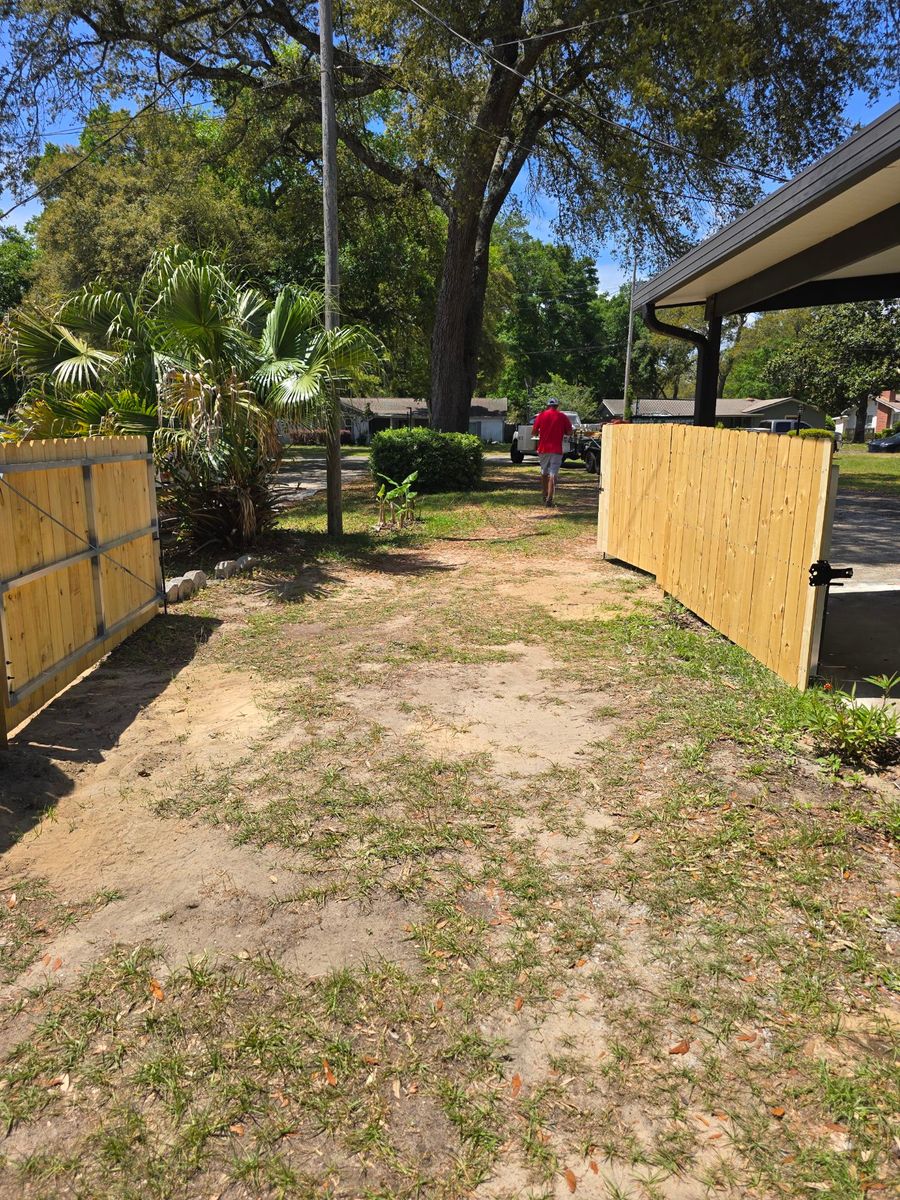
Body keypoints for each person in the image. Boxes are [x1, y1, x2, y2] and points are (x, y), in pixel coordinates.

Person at [531, 398, 573, 506]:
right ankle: (550, 498)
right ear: (557, 406)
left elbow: (534, 432)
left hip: (543, 448)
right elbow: (569, 432)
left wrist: (541, 431)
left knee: (544, 472)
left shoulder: (541, 415)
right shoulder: (562, 416)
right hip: (556, 449)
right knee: (553, 473)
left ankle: (544, 495)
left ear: (547, 406)